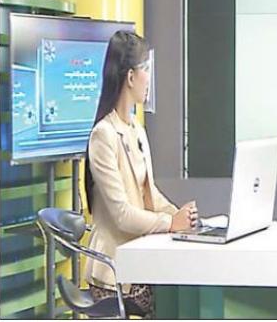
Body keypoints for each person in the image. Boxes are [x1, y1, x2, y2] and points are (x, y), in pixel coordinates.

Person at [84, 31, 198, 316]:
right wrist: (170, 224)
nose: (149, 78)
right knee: (177, 293)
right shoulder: (103, 135)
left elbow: (150, 194)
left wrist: (181, 217)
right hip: (115, 272)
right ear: (131, 77)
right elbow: (122, 214)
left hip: (140, 256)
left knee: (187, 284)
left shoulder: (137, 128)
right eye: (146, 69)